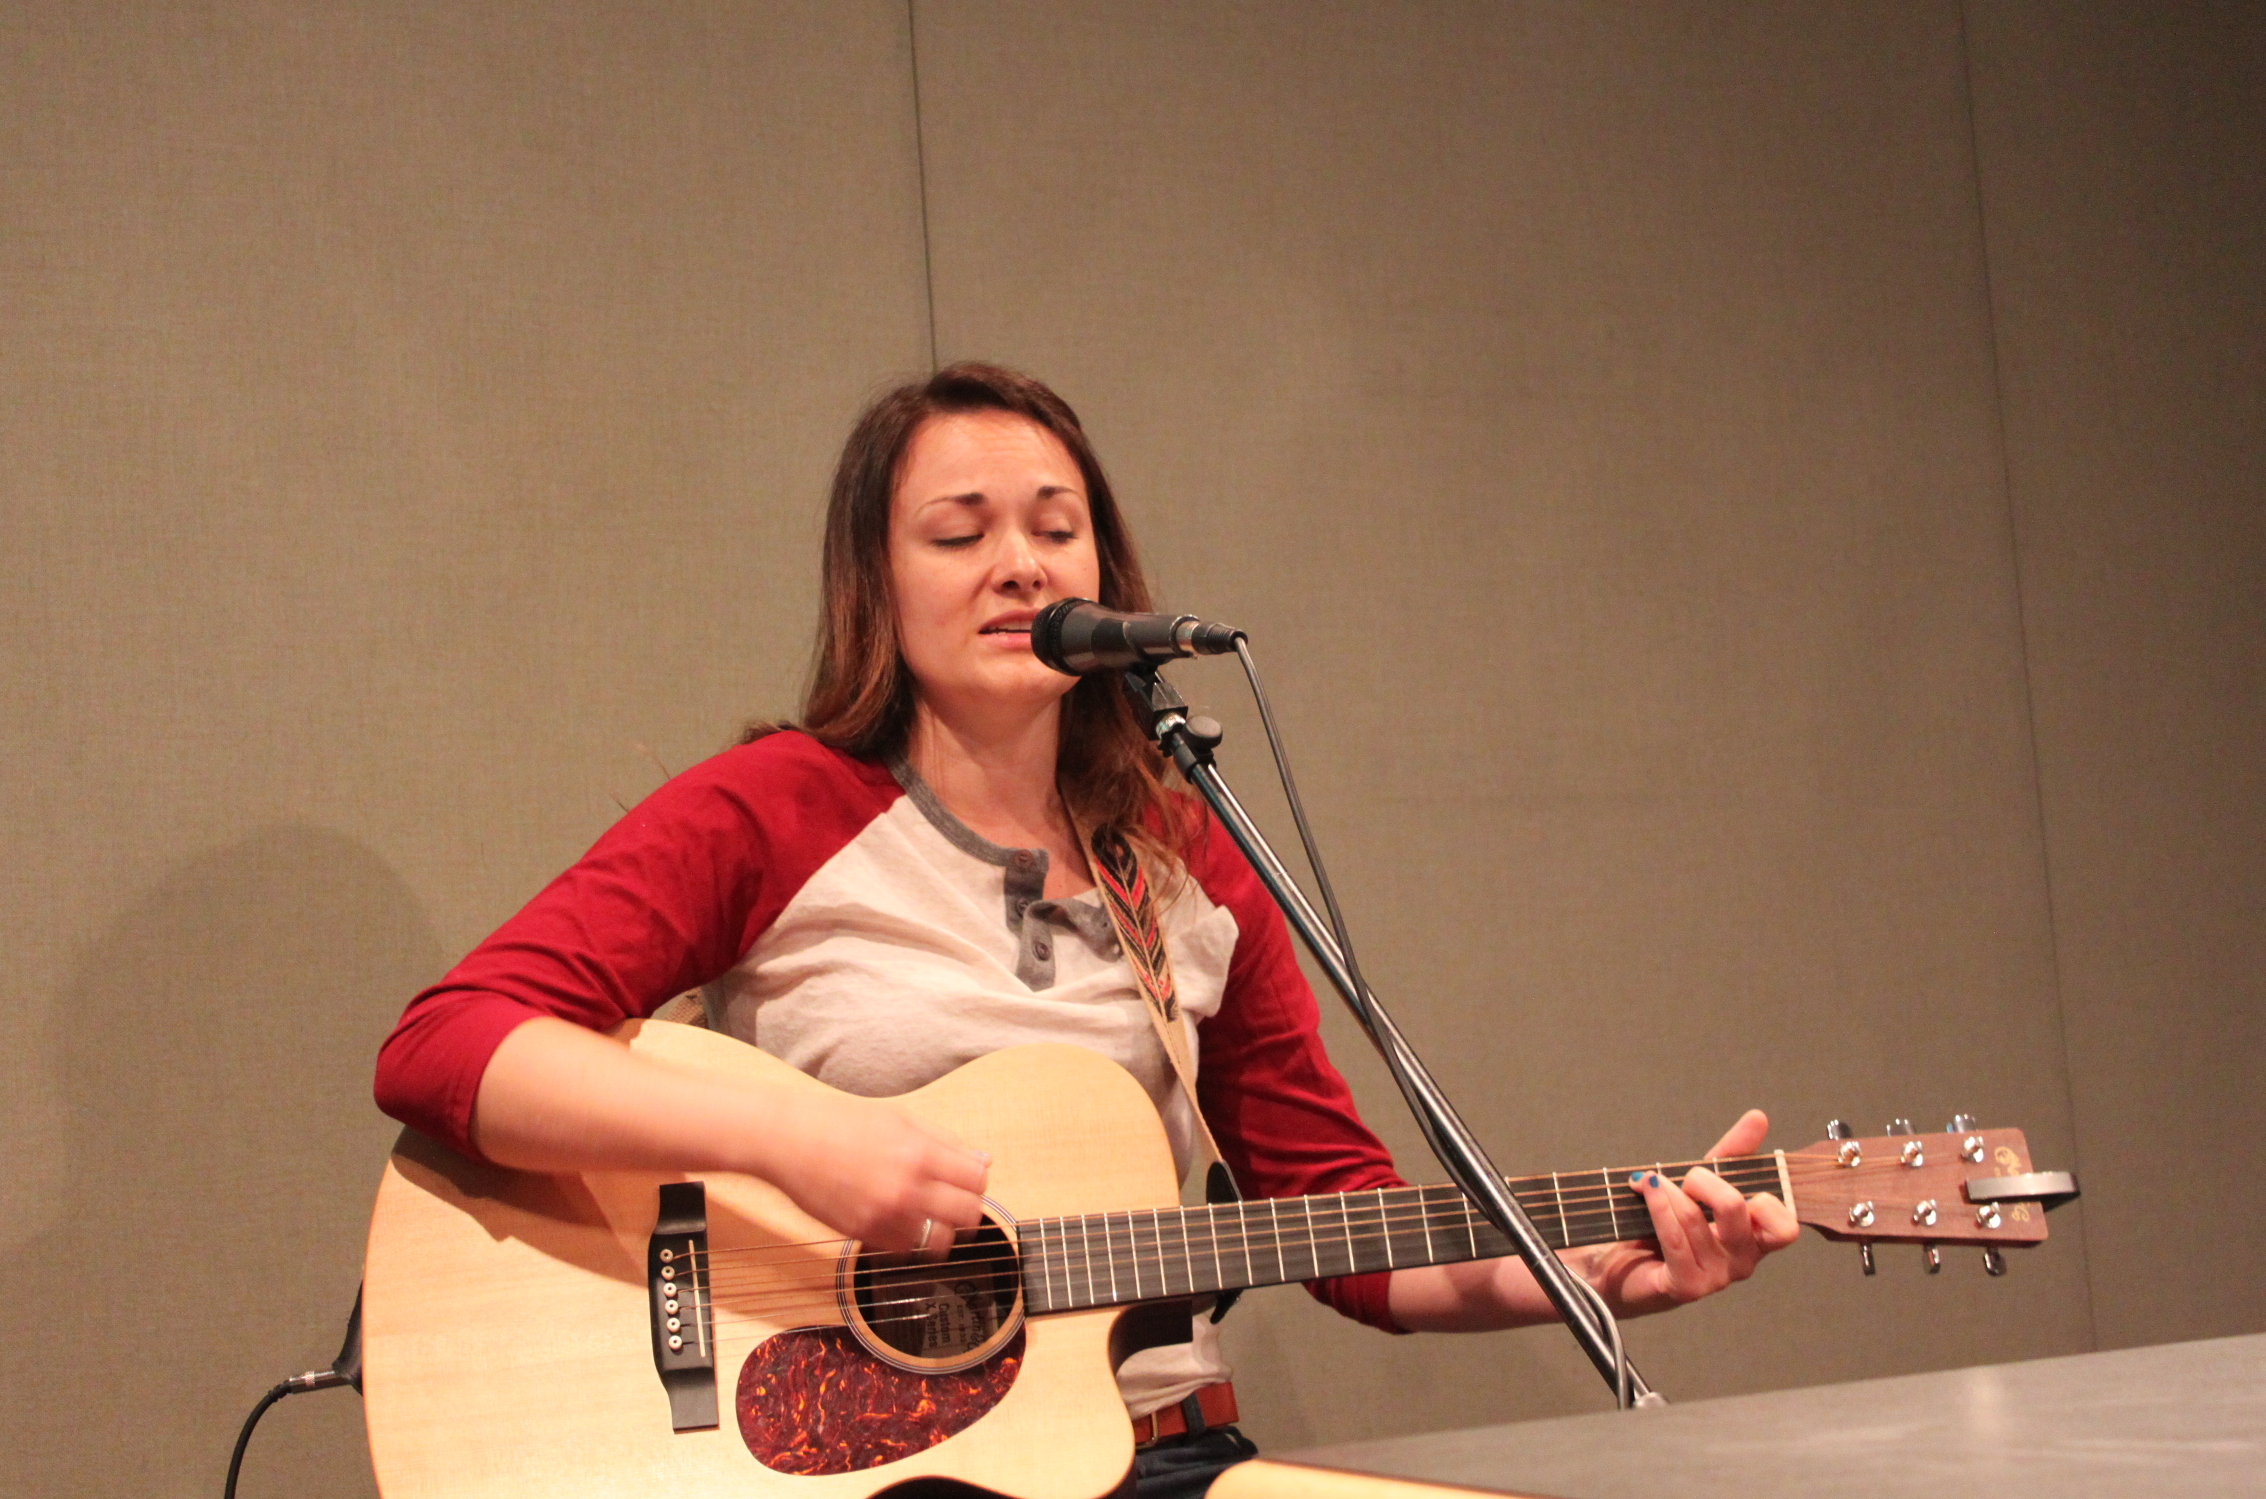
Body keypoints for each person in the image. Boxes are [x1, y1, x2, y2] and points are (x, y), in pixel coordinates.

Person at [373, 362, 1799, 1497]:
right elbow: (447, 1048)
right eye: (962, 532)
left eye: (1057, 531)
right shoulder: (775, 812)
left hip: (1149, 1458)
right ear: (878, 579)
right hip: (854, 1466)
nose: (1020, 566)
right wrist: (798, 1144)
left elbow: (1339, 1230)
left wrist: (1602, 1272)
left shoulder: (1189, 861)